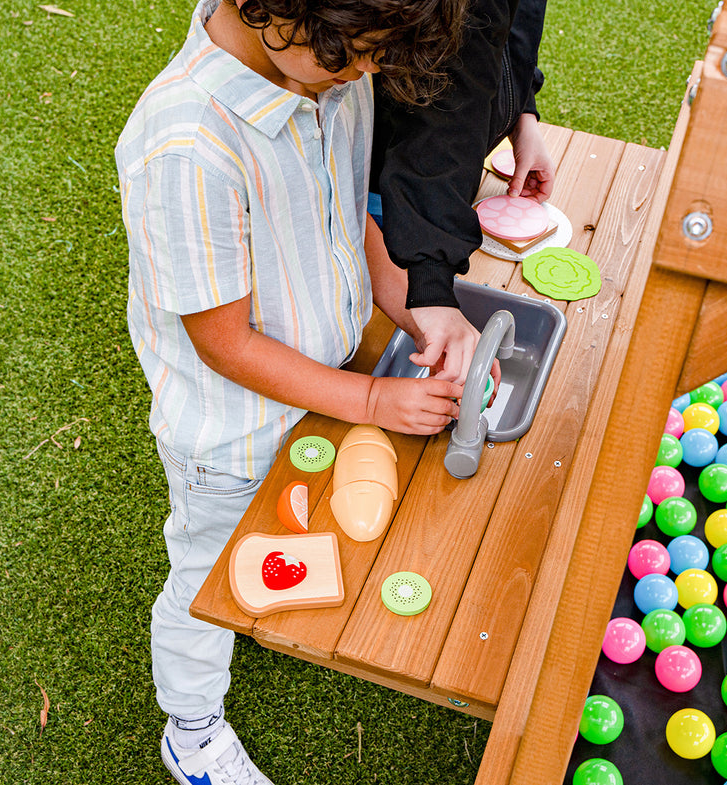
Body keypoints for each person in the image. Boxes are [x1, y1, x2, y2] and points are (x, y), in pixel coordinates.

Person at [115, 1, 469, 783]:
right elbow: (224, 342)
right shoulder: (187, 147)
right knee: (205, 577)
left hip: (320, 393)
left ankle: (264, 595)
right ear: (269, 9)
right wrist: (372, 402)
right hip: (233, 434)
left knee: (293, 534)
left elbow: (353, 220)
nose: (370, 72)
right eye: (360, 55)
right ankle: (192, 727)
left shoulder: (332, 72)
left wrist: (414, 304)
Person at [370, 0, 555, 385]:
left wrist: (521, 113)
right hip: (399, 176)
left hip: (442, 183)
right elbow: (441, 104)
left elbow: (507, 28)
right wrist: (431, 282)